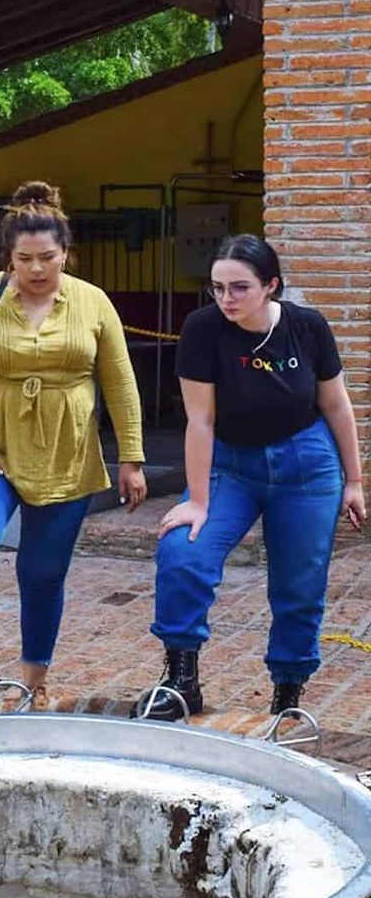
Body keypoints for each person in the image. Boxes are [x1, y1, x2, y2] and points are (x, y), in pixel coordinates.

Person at [0, 181, 147, 712]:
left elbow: (119, 381)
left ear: (66, 253)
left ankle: (34, 680)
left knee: (44, 571)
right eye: (24, 258)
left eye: (47, 257)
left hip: (66, 452)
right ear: (9, 257)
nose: (35, 269)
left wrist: (132, 457)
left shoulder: (92, 301)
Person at [138, 234, 365, 722]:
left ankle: (288, 696)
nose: (226, 299)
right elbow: (200, 420)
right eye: (217, 288)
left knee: (299, 585)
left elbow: (335, 404)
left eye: (239, 288)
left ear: (271, 286)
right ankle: (180, 679)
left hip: (306, 464)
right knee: (183, 552)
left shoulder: (307, 327)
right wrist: (198, 500)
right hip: (230, 465)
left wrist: (354, 481)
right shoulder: (203, 329)